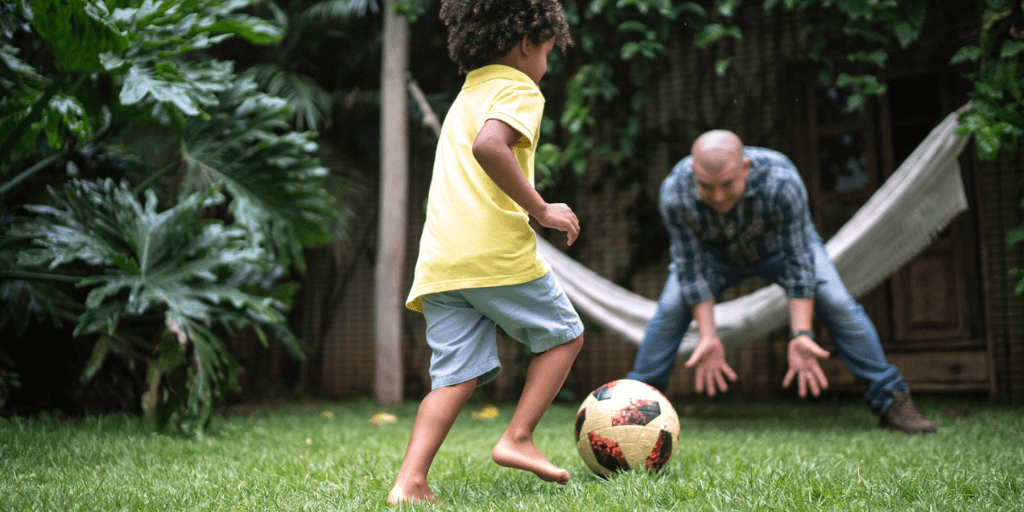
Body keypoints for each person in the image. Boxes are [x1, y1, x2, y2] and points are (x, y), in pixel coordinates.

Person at [387, 0, 583, 505]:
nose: (546, 64)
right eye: (547, 51)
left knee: (455, 376)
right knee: (565, 337)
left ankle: (409, 484)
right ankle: (517, 437)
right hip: (490, 252)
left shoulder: (469, 91)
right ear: (525, 44)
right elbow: (490, 146)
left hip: (441, 262)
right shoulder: (519, 88)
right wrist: (542, 209)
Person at [627, 129, 937, 435]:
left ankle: (892, 401)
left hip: (782, 250)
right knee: (669, 309)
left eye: (728, 184)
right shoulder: (675, 191)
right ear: (693, 172)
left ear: (745, 167)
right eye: (707, 187)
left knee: (839, 303)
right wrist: (708, 336)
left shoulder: (781, 180)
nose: (719, 197)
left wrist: (801, 333)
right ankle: (634, 407)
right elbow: (691, 271)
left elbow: (799, 263)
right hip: (714, 259)